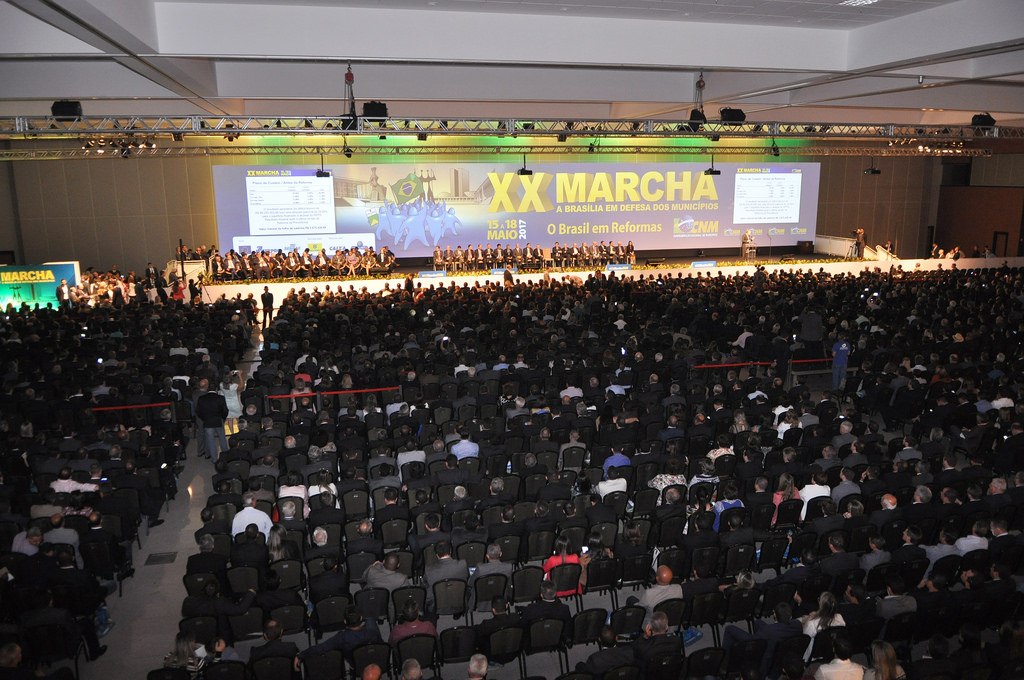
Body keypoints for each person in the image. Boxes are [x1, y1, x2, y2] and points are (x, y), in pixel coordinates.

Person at [800, 591, 846, 660]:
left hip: (813, 656)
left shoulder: (812, 624)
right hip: (830, 651)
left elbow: (804, 640)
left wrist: (806, 622)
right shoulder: (840, 618)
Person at [219, 369, 244, 435]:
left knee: (230, 419)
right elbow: (242, 386)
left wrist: (230, 374)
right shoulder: (234, 386)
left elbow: (226, 380)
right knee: (239, 418)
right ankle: (241, 431)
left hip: (227, 404)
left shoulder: (221, 385)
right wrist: (240, 376)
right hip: (235, 404)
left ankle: (232, 433)